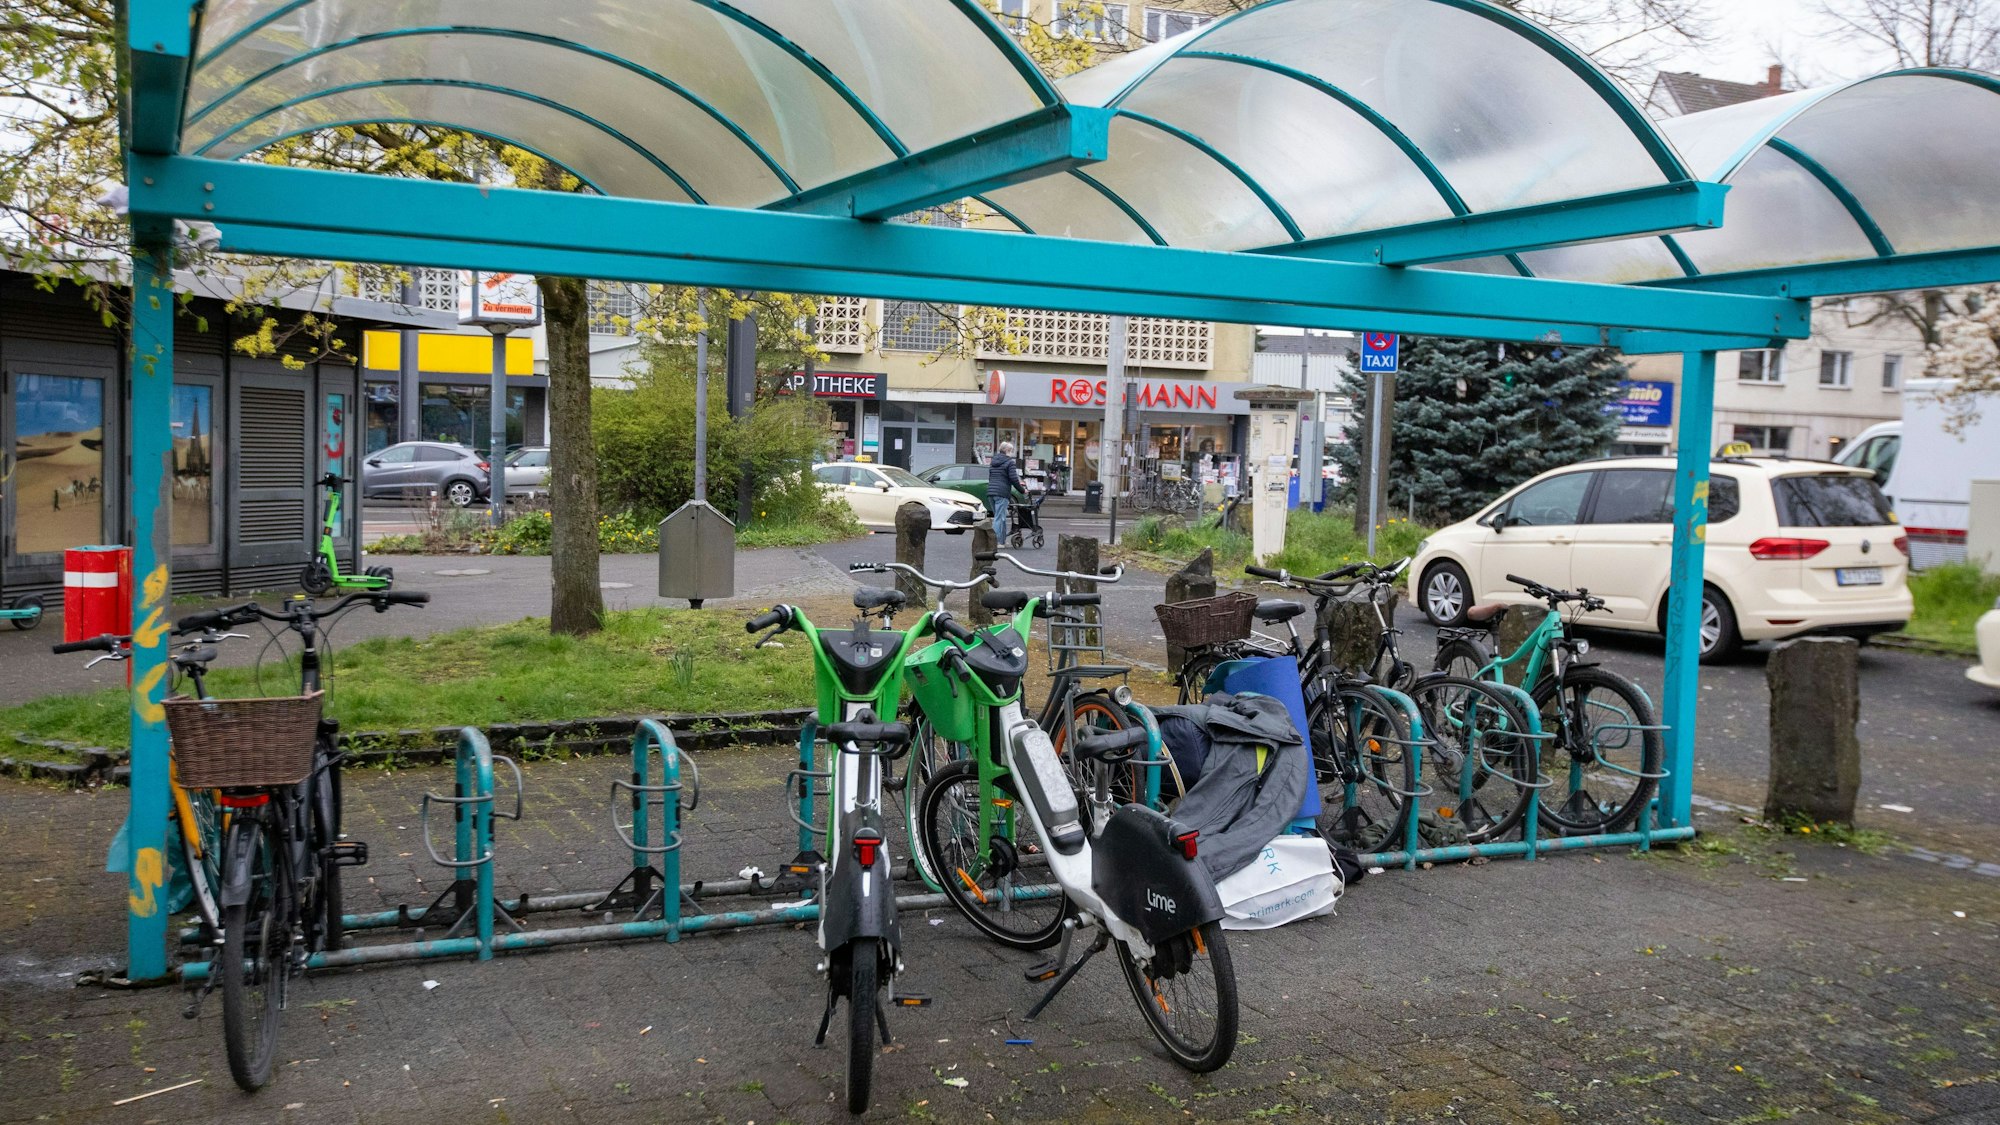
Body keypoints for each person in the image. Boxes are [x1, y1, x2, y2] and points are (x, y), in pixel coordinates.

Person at [988, 441, 1023, 540]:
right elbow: (1014, 479)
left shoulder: (993, 461)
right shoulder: (1009, 462)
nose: (1011, 453)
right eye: (1011, 450)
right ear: (1007, 450)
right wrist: (1022, 490)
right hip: (1002, 493)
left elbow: (990, 477)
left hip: (991, 492)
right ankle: (993, 541)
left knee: (1000, 517)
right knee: (999, 518)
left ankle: (1001, 541)